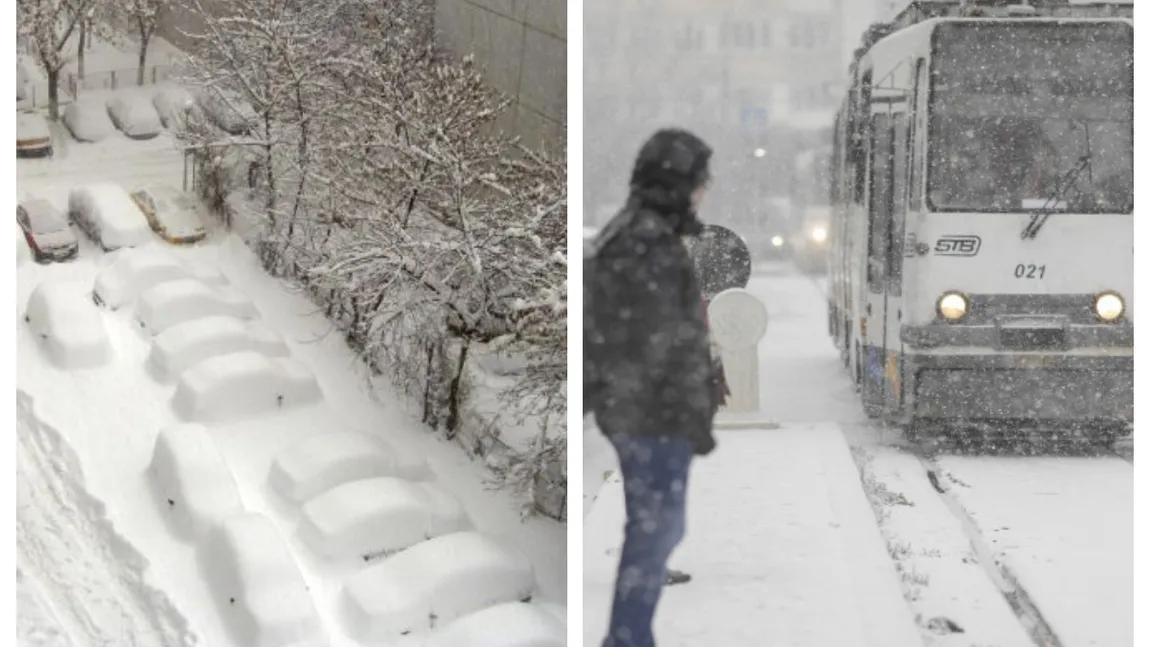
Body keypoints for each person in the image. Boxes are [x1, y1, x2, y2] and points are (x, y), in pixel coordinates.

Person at [586, 128, 720, 647]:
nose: (703, 190)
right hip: (649, 417)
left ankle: (630, 637)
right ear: (675, 181)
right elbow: (651, 342)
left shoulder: (644, 233)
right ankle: (627, 639)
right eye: (698, 179)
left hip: (648, 412)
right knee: (653, 532)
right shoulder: (643, 241)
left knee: (659, 530)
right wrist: (686, 414)